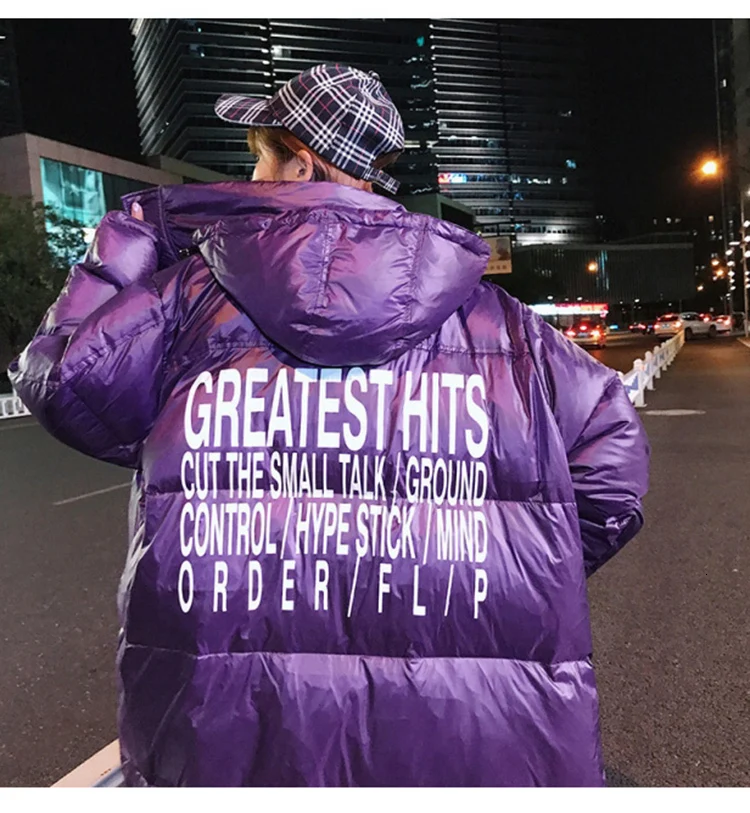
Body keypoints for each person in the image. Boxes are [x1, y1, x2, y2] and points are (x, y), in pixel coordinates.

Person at [9, 64, 649, 787]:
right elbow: (612, 463)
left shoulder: (185, 300)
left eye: (260, 157)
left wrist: (132, 234)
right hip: (467, 734)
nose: (250, 176)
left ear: (300, 162)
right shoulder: (505, 327)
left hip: (232, 731)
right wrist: (513, 564)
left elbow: (60, 377)